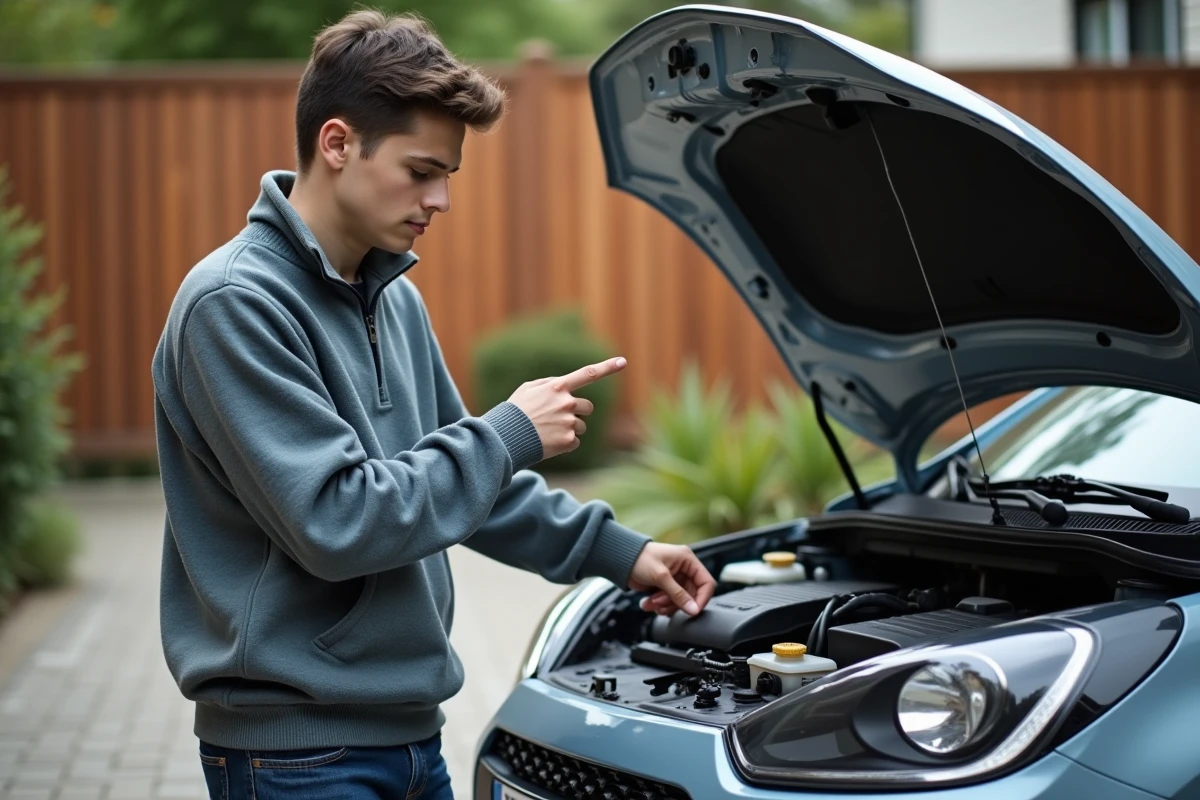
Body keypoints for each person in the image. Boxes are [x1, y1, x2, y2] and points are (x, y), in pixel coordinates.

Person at [150, 8, 716, 799]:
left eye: (448, 175)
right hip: (296, 757)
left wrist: (622, 554)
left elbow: (465, 486)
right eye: (421, 171)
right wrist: (510, 431)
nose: (442, 199)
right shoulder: (235, 304)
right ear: (338, 144)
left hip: (413, 739)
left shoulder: (390, 294)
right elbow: (338, 521)